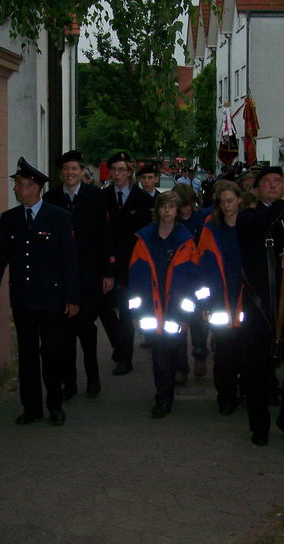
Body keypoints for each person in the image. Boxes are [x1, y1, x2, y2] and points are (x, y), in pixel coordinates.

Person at [0, 157, 79, 425]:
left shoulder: (59, 217)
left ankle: (55, 404)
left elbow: (69, 260)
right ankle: (31, 407)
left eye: (20, 184)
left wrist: (72, 297)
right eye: (16, 184)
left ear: (35, 187)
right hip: (23, 299)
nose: (16, 189)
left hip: (52, 299)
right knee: (27, 355)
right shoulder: (9, 219)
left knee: (53, 354)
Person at [235, 167, 284, 446]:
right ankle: (259, 425)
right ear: (256, 190)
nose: (272, 185)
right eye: (266, 182)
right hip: (260, 307)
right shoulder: (248, 217)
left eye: (278, 182)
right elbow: (260, 225)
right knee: (256, 370)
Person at [43, 150, 114, 399]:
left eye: (74, 169)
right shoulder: (51, 198)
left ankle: (92, 376)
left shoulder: (95, 196)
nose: (70, 173)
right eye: (66, 169)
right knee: (64, 331)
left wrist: (108, 271)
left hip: (89, 273)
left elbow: (105, 234)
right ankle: (69, 382)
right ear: (60, 173)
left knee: (86, 326)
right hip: (61, 276)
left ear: (82, 171)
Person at [126, 191, 200, 418]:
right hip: (151, 309)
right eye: (163, 206)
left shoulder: (186, 241)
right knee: (159, 353)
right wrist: (137, 312)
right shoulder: (144, 240)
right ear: (157, 210)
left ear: (178, 211)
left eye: (171, 206)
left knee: (172, 349)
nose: (167, 211)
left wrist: (187, 316)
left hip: (176, 310)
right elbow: (136, 279)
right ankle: (164, 397)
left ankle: (171, 385)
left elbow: (193, 281)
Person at [100, 152, 153, 375]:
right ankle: (119, 345)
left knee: (126, 311)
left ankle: (125, 359)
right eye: (114, 170)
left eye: (122, 170)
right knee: (103, 308)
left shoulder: (143, 200)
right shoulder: (102, 198)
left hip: (132, 265)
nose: (117, 174)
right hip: (107, 263)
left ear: (130, 172)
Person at [198, 181, 246, 415]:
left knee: (245, 351)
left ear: (239, 200)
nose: (226, 206)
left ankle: (245, 391)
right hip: (219, 301)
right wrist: (205, 303)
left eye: (230, 200)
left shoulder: (249, 226)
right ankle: (225, 397)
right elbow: (203, 270)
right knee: (224, 353)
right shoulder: (211, 228)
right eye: (222, 201)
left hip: (245, 299)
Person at [172, 182, 209, 380]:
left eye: (189, 204)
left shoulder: (203, 219)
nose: (186, 208)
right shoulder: (171, 222)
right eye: (182, 204)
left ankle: (200, 354)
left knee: (199, 322)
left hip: (200, 280)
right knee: (178, 324)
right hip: (179, 281)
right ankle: (180, 366)